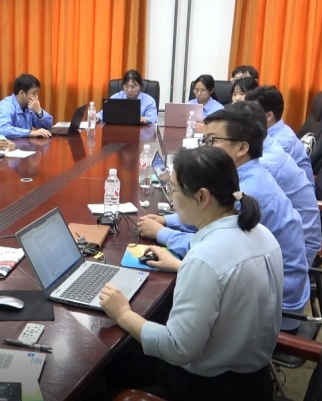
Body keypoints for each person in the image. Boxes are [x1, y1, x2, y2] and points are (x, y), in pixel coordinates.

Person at [99, 146, 281, 400]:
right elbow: (231, 283)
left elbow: (177, 348)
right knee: (123, 365)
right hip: (254, 381)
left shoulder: (204, 260)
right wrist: (180, 266)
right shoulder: (263, 234)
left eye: (173, 190)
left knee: (108, 378)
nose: (171, 199)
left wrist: (123, 314)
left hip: (210, 388)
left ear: (202, 197)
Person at [138, 102, 310, 333]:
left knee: (158, 307)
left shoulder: (249, 191)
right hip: (263, 286)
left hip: (274, 308)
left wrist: (162, 233)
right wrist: (169, 220)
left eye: (212, 141)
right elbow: (212, 221)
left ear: (242, 148)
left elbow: (212, 247)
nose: (206, 147)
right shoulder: (247, 175)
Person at [242, 101, 322, 266]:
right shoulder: (268, 144)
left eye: (214, 140)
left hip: (298, 251)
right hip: (291, 240)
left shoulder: (265, 165)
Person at [245, 85, 315, 186]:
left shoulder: (281, 143)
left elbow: (255, 175)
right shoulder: (275, 131)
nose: (246, 116)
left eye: (251, 112)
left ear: (269, 116)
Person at [0, 74, 54, 138]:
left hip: (21, 143)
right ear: (22, 93)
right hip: (1, 144)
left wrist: (39, 111)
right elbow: (3, 129)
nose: (37, 97)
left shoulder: (30, 107)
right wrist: (30, 133)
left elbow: (48, 126)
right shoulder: (5, 106)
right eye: (34, 93)